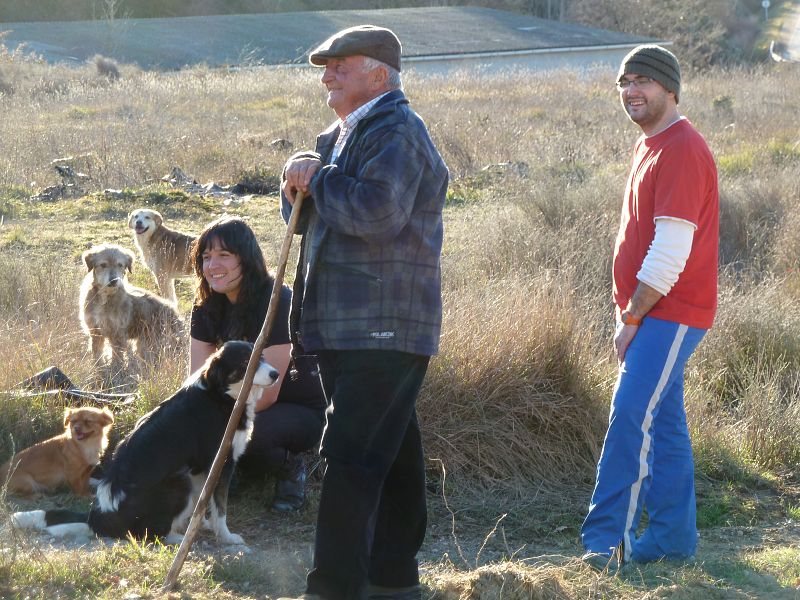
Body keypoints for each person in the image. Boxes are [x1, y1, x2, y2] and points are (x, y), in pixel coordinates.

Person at [278, 25, 449, 600]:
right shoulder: (339, 134)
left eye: (340, 65)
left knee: (350, 455)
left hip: (385, 324)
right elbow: (309, 219)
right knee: (392, 452)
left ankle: (333, 588)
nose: (326, 74)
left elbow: (377, 215)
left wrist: (319, 177)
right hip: (346, 327)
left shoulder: (397, 130)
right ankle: (393, 580)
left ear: (380, 73)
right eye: (324, 65)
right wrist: (297, 182)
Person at [580, 45, 719, 566]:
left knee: (629, 419)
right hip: (653, 310)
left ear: (671, 89)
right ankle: (671, 543)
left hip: (670, 311)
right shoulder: (651, 144)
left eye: (643, 81)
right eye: (625, 82)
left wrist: (633, 316)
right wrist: (628, 310)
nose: (631, 91)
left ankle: (604, 546)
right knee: (663, 425)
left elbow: (670, 251)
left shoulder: (681, 147)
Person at [189, 215, 326, 512]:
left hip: (296, 408)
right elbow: (198, 377)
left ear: (247, 259)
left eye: (224, 255)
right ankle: (233, 470)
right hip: (237, 404)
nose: (212, 266)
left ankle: (290, 465)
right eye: (206, 256)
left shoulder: (277, 300)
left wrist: (218, 423)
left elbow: (270, 391)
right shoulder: (205, 305)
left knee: (248, 435)